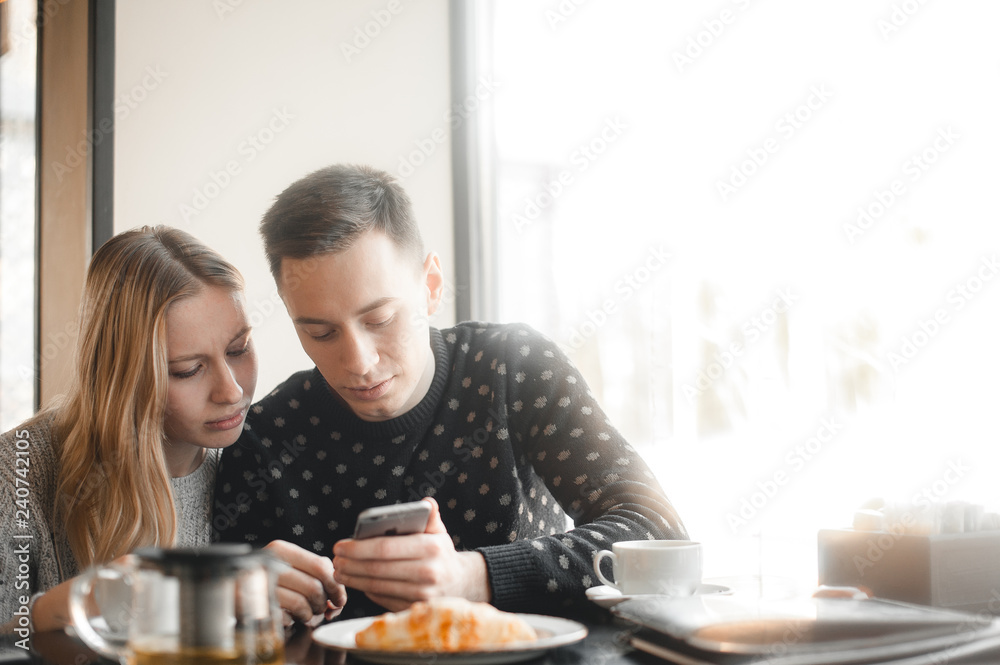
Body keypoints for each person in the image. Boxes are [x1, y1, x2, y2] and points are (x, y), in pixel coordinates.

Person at [213, 164, 688, 619]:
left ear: (431, 286)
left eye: (380, 320)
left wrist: (471, 576)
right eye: (320, 333)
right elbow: (222, 612)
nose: (358, 362)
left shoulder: (513, 368)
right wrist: (241, 598)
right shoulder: (264, 436)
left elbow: (659, 533)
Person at [0, 226, 345, 635]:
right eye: (188, 370)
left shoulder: (264, 450)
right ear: (121, 378)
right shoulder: (17, 473)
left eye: (238, 349)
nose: (231, 391)